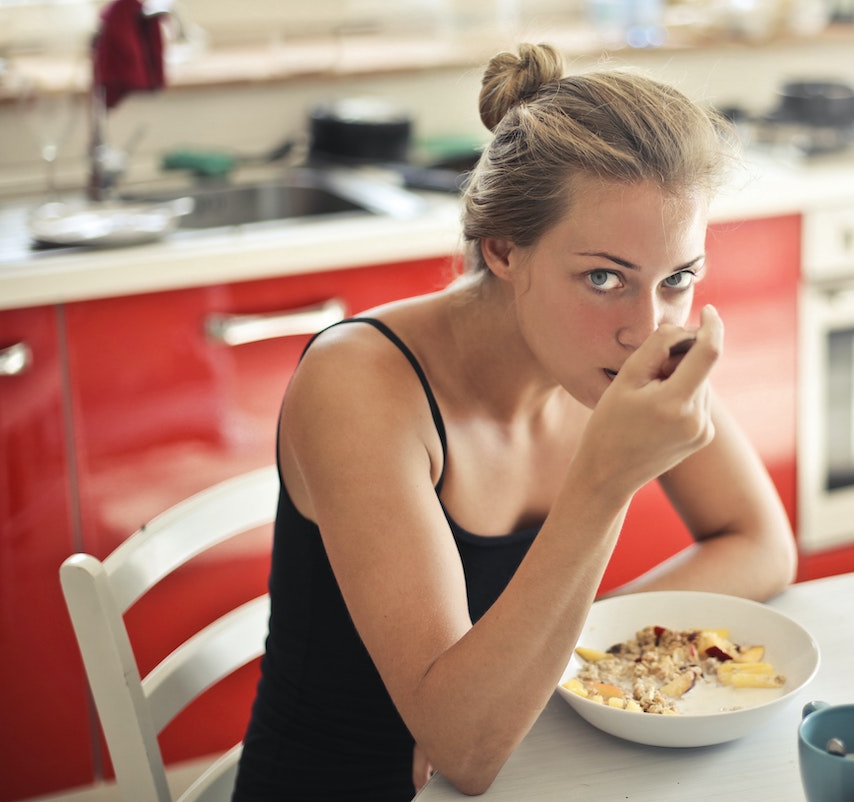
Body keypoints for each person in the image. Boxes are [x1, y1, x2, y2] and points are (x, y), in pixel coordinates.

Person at [232, 42, 797, 801]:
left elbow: (761, 544)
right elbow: (463, 748)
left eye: (678, 279)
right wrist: (605, 482)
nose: (646, 328)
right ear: (503, 250)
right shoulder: (361, 385)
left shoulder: (625, 347)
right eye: (604, 278)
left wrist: (542, 660)